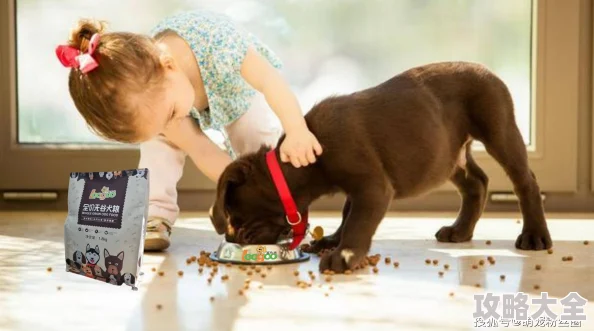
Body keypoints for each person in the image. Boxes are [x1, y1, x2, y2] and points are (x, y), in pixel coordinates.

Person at [56, 10, 322, 251]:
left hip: (237, 90)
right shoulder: (158, 95)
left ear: (169, 65)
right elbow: (201, 150)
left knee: (256, 137)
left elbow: (269, 80)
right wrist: (233, 194)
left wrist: (296, 128)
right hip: (173, 95)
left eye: (170, 115)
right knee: (159, 146)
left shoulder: (222, 47)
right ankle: (155, 212)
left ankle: (280, 214)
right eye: (160, 123)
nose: (170, 127)